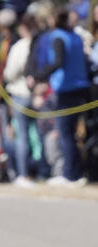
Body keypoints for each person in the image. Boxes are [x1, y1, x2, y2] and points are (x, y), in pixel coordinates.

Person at [40, 9, 91, 186]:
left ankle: (70, 174)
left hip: (66, 90)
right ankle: (77, 171)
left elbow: (58, 62)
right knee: (75, 134)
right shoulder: (75, 37)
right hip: (81, 88)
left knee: (66, 134)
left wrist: (39, 75)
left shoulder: (59, 36)